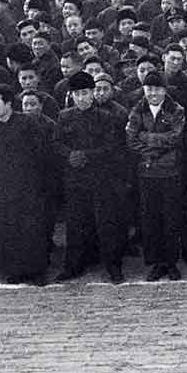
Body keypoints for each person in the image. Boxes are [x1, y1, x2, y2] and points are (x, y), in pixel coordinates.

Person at [53, 71, 125, 284]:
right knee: (75, 224)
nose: (81, 98)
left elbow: (112, 147)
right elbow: (56, 143)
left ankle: (113, 266)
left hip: (101, 178)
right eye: (77, 94)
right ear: (71, 96)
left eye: (85, 93)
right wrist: (69, 155)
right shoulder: (64, 116)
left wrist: (86, 156)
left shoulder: (106, 117)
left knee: (106, 224)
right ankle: (73, 266)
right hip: (75, 180)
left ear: (93, 93)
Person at [0, 84, 49, 285]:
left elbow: (40, 155)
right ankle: (14, 270)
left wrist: (36, 184)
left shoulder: (27, 123)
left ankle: (37, 271)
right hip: (2, 189)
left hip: (28, 188)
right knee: (7, 229)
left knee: (31, 229)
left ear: (8, 103)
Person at [126, 68, 187, 281]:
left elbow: (176, 138)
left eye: (157, 89)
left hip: (170, 172)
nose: (153, 93)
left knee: (171, 218)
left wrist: (148, 138)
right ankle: (156, 262)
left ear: (164, 89)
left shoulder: (176, 110)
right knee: (150, 220)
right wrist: (153, 148)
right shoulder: (137, 109)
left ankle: (171, 262)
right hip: (147, 174)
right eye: (149, 88)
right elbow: (131, 140)